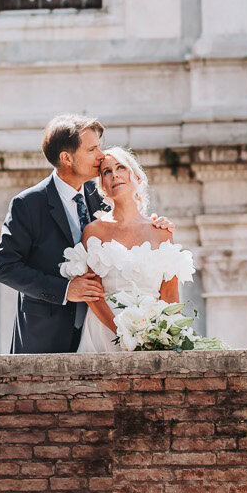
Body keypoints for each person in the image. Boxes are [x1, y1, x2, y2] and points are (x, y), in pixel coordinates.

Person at [0, 114, 111, 353]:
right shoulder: (28, 204)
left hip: (98, 332)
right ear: (66, 158)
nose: (101, 156)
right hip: (44, 337)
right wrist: (65, 291)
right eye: (92, 149)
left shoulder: (101, 196)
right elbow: (5, 267)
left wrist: (153, 226)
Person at [73, 147, 186, 354]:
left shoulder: (161, 232)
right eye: (106, 172)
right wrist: (123, 332)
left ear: (137, 178)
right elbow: (93, 293)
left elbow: (170, 294)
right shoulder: (93, 231)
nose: (114, 174)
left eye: (120, 167)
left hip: (153, 334)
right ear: (103, 188)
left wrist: (165, 335)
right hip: (104, 332)